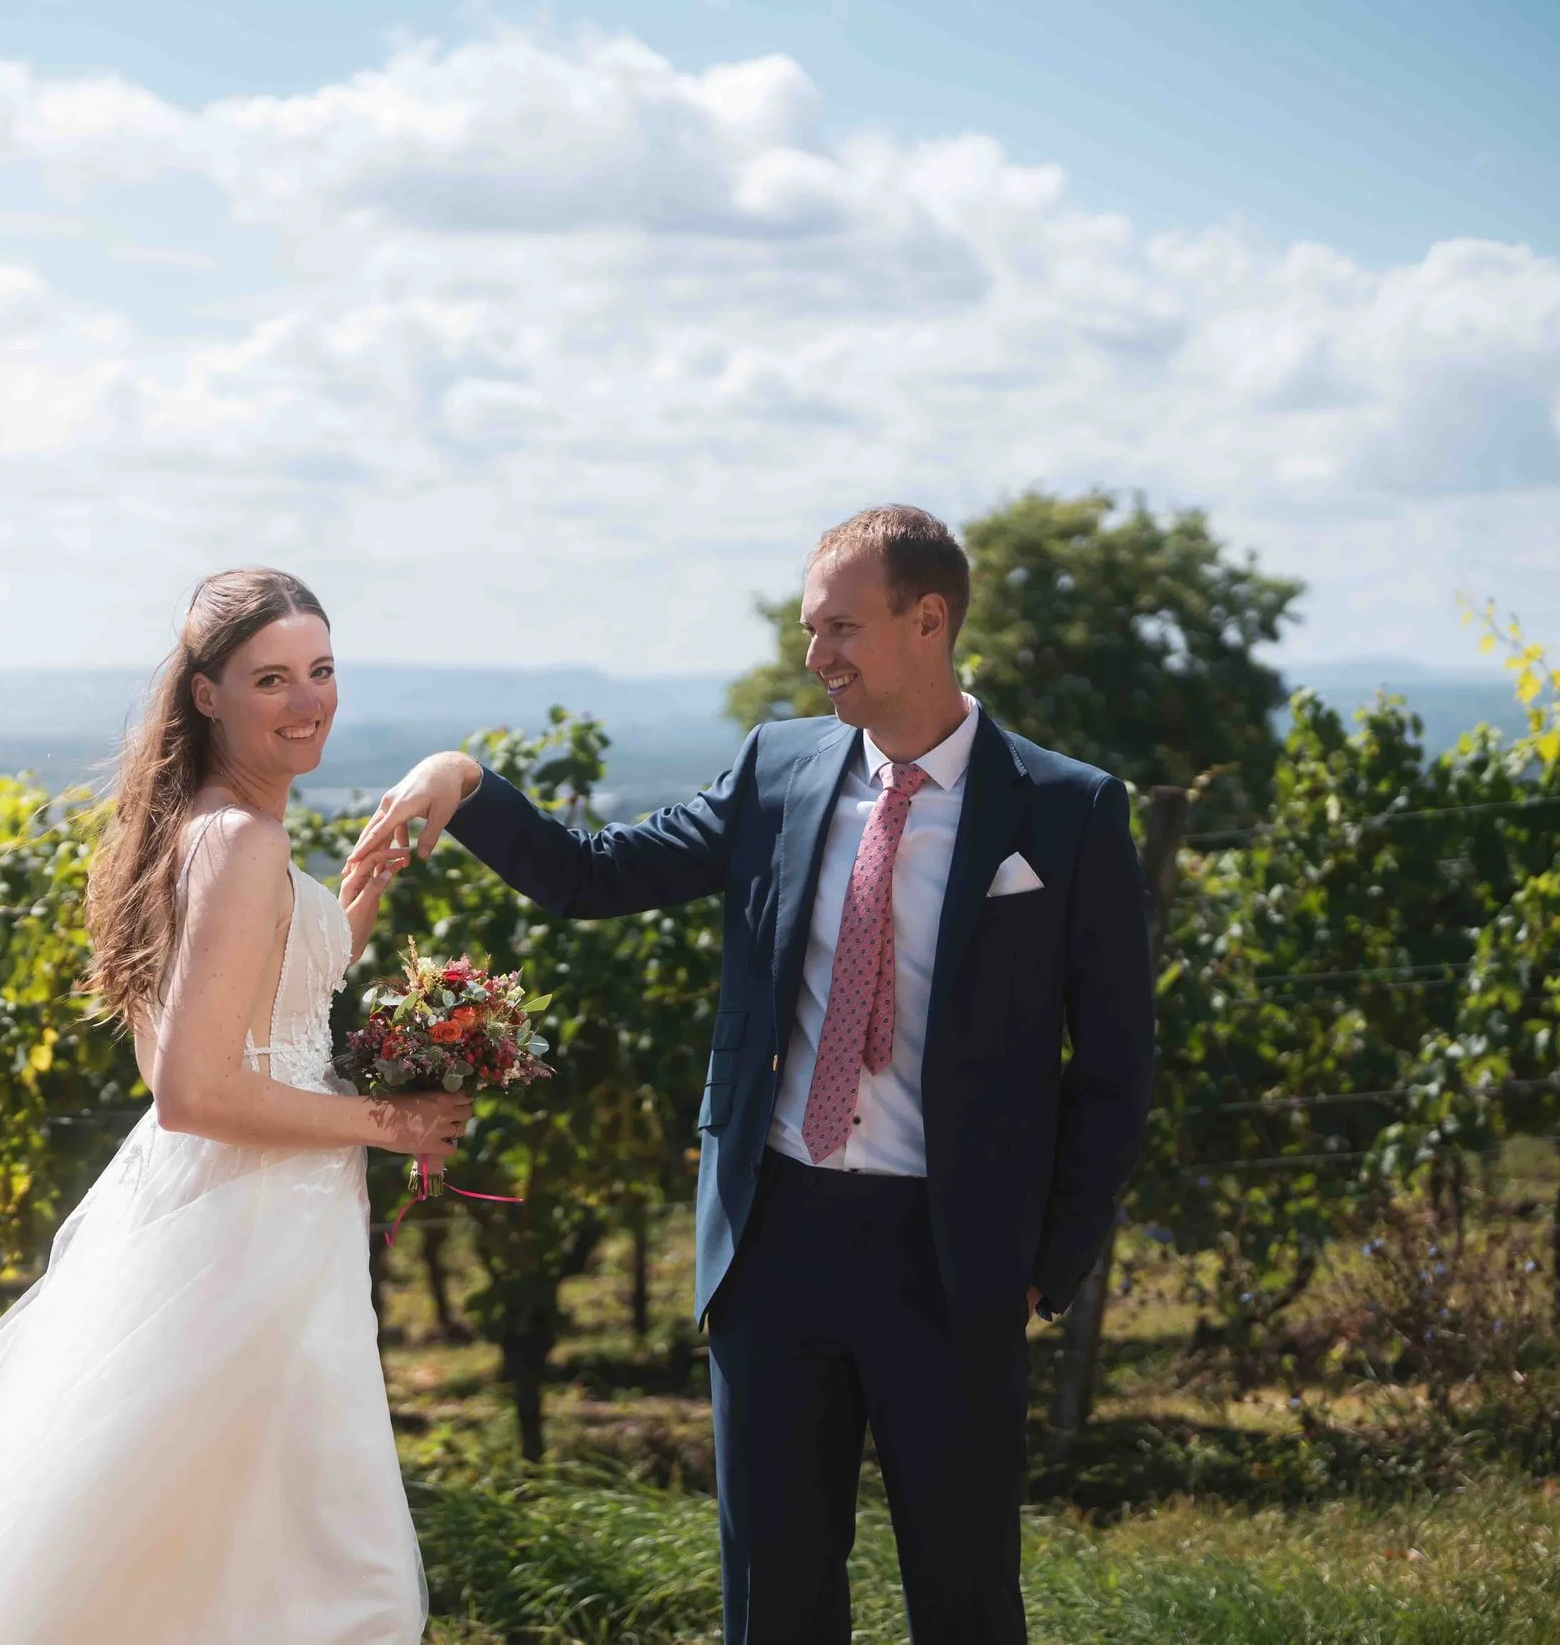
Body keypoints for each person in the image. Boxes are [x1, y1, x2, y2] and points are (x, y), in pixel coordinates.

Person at [351, 505, 1155, 1644]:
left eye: (841, 627)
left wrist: (1050, 1263)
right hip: (773, 1237)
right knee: (773, 1594)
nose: (814, 653)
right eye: (808, 626)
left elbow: (1118, 1064)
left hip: (955, 1252)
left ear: (929, 621)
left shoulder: (1066, 809)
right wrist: (466, 783)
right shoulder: (777, 767)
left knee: (965, 1592)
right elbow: (593, 875)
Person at [0, 567, 466, 1645]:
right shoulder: (240, 841)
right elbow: (196, 1089)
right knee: (320, 1578)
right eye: (272, 680)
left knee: (200, 1556)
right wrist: (394, 1124)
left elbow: (264, 1005)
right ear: (207, 693)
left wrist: (419, 809)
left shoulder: (195, 826)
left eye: (323, 670)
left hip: (241, 1216)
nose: (309, 702)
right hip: (252, 1230)